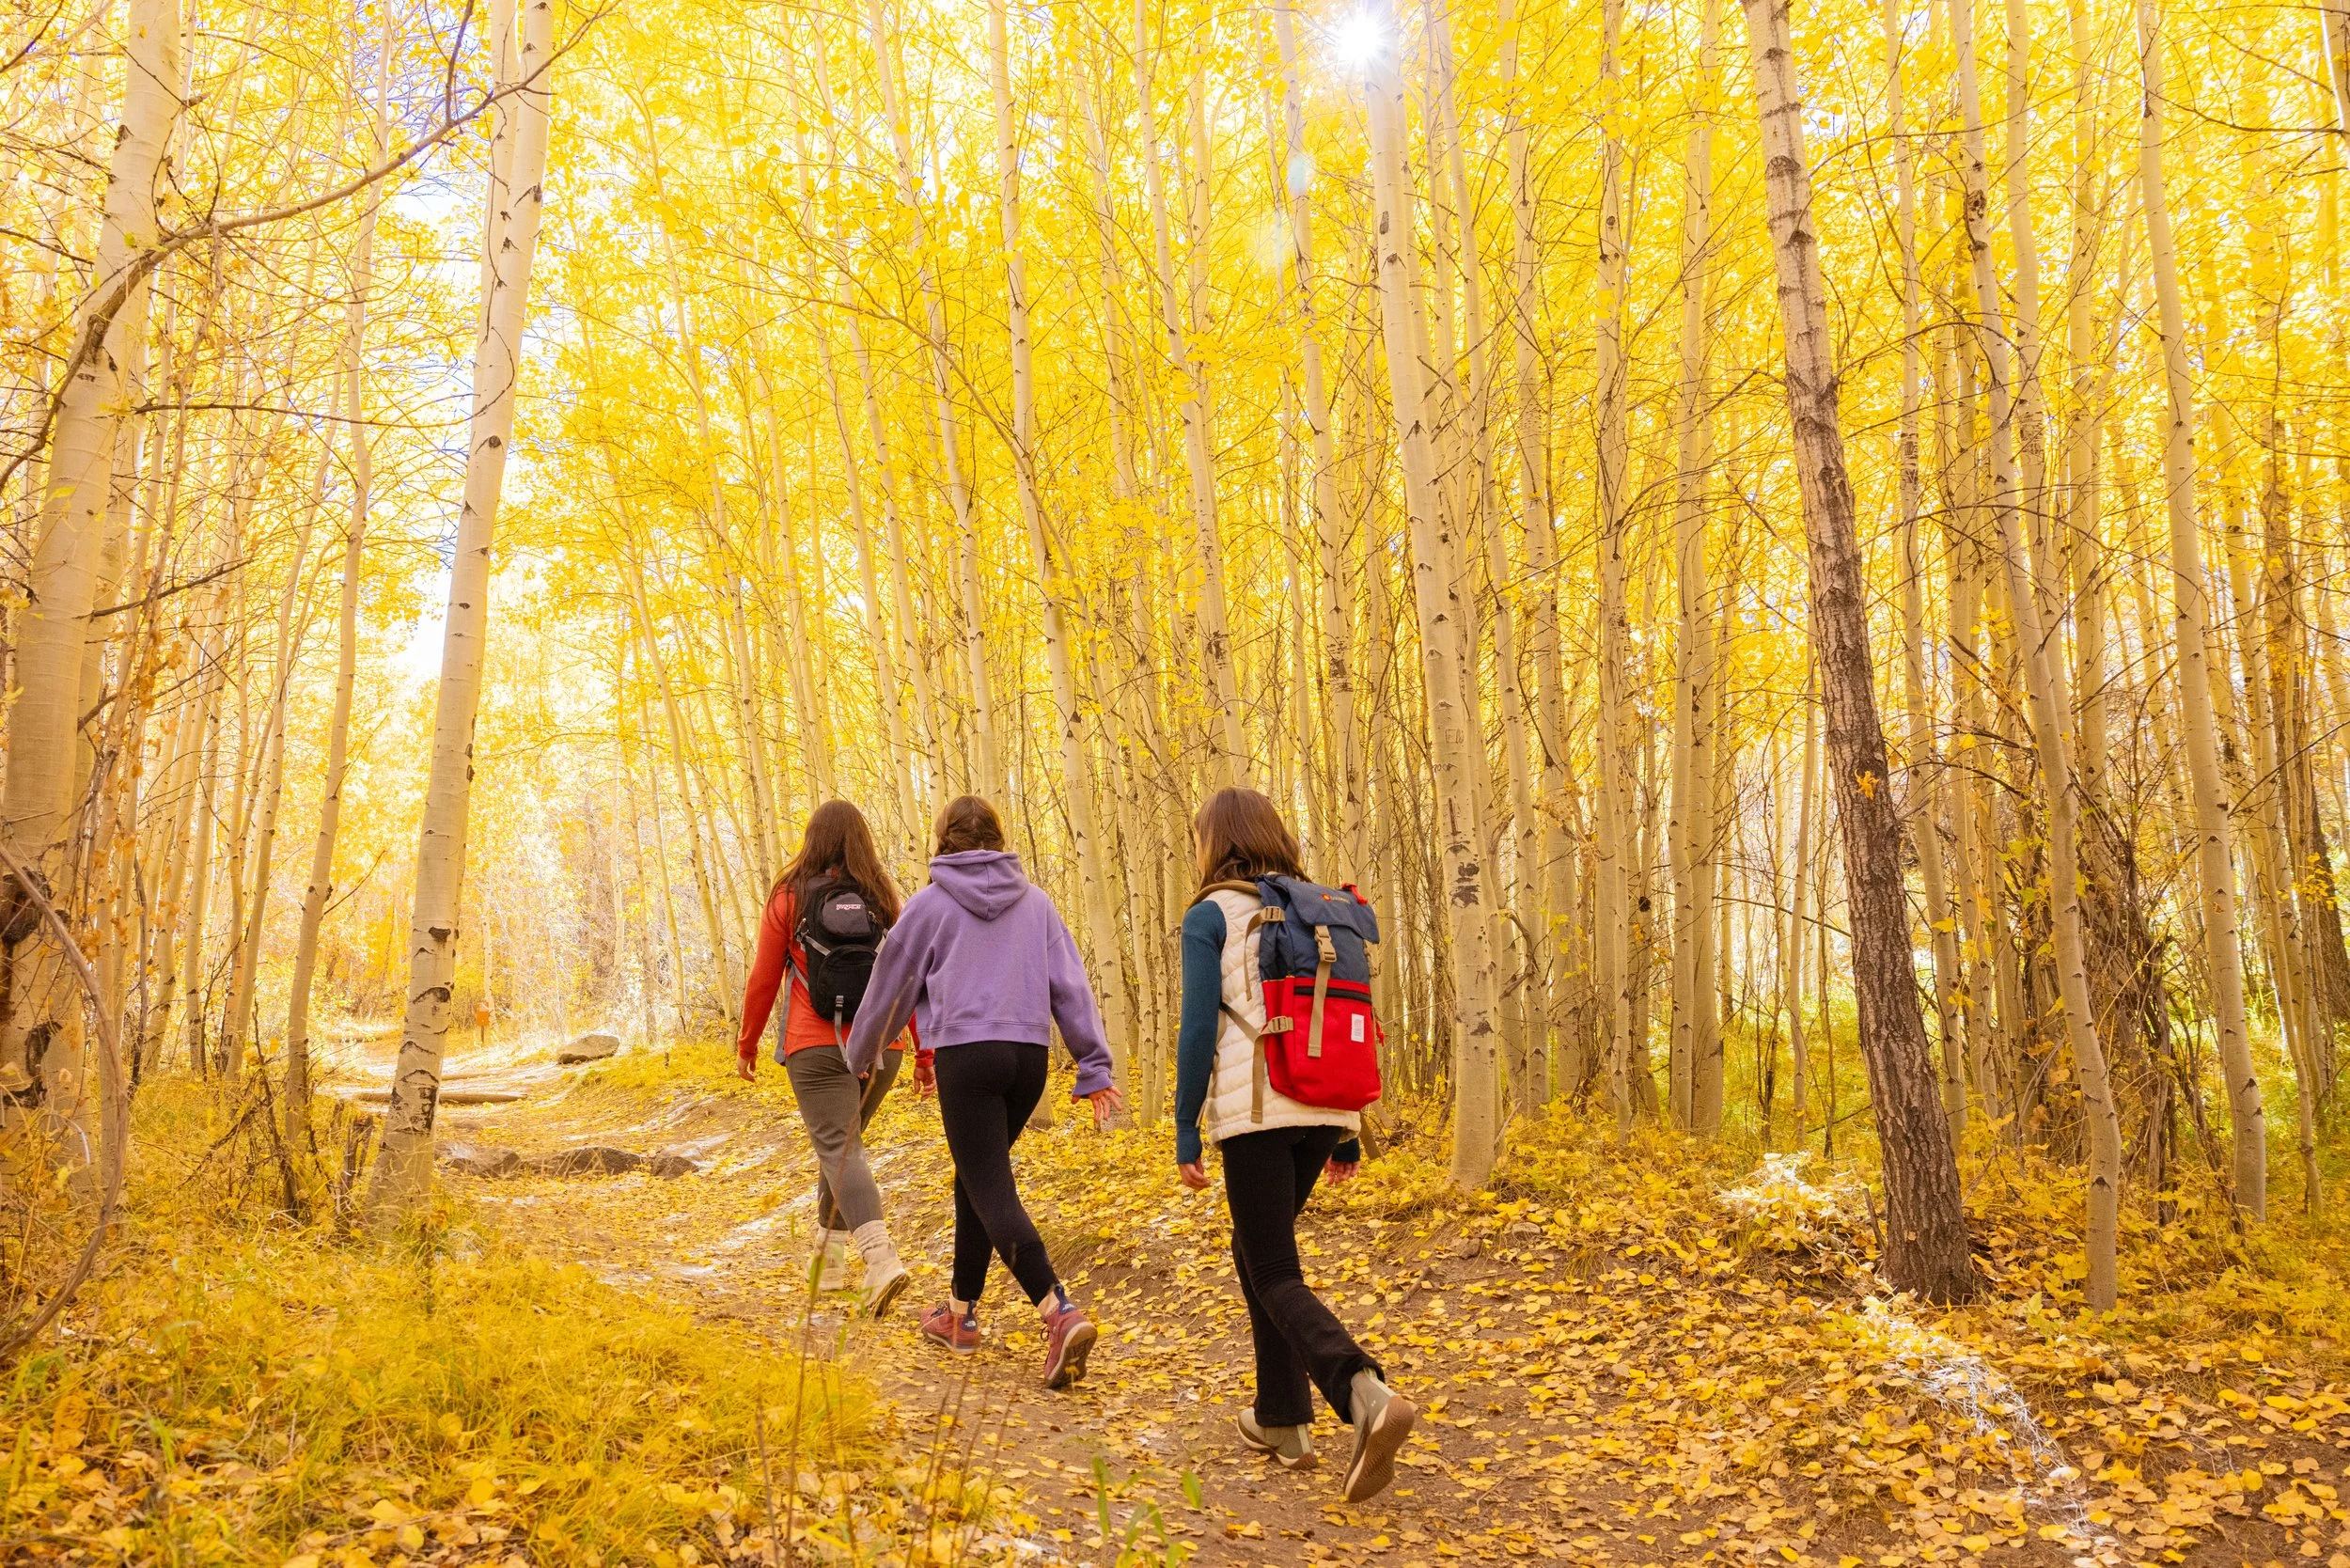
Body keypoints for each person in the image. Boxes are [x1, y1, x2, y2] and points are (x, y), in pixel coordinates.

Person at [1172, 787, 1416, 1503]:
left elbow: (1195, 1030)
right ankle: (1281, 1419)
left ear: (1212, 844)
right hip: (1326, 1106)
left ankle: (1363, 1390)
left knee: (1274, 1268)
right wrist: (1347, 1131)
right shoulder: (1319, 909)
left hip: (1258, 1113)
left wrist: (1186, 1123)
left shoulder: (1210, 913)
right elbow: (1350, 1015)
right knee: (1255, 1252)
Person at [844, 794, 1124, 1388]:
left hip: (967, 1057)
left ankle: (1058, 1310)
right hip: (1028, 1059)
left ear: (943, 841)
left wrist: (861, 1055)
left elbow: (889, 982)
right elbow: (1070, 986)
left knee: (993, 1191)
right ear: (998, 838)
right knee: (976, 1177)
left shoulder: (929, 905)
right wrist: (1093, 1065)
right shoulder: (1037, 904)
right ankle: (960, 1313)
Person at [737, 800, 923, 1318]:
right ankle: (829, 1265)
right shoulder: (885, 897)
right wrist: (923, 1052)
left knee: (841, 1150)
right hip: (882, 1048)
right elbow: (909, 979)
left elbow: (763, 979)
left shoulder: (789, 896)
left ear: (812, 839)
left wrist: (747, 1044)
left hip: (815, 1046)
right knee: (841, 1150)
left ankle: (881, 1260)